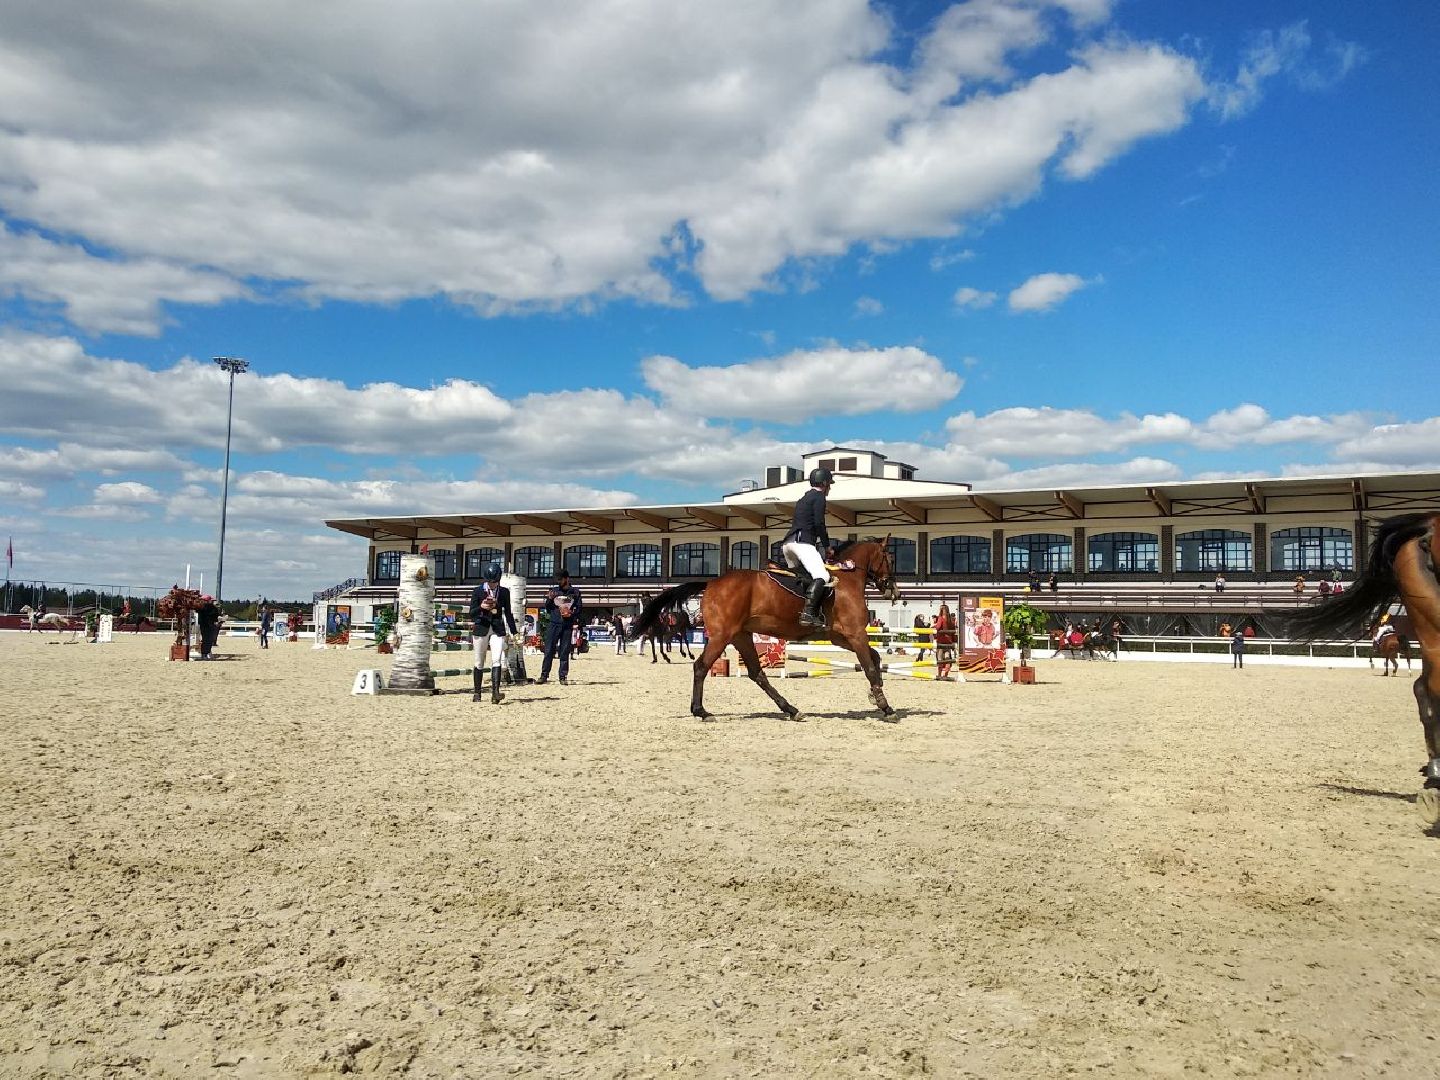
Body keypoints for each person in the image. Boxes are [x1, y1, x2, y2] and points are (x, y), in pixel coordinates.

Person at [782, 467, 834, 628]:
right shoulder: (819, 497)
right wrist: (827, 546)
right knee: (822, 577)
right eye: (829, 484)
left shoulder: (804, 498)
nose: (830, 488)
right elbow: (819, 523)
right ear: (824, 483)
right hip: (802, 544)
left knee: (804, 578)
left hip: (788, 544)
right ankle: (808, 613)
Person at [470, 561, 518, 703]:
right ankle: (477, 693)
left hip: (497, 628)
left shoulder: (504, 592)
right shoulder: (477, 591)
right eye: (490, 582)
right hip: (481, 627)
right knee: (479, 662)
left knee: (497, 659)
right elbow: (472, 614)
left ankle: (495, 693)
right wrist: (481, 607)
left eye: (495, 582)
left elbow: (508, 613)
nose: (493, 585)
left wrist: (515, 632)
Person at [538, 569, 583, 685]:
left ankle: (563, 676)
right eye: (557, 579)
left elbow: (579, 608)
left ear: (567, 579)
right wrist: (549, 599)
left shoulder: (576, 592)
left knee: (564, 651)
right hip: (554, 623)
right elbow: (547, 608)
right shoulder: (554, 591)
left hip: (567, 625)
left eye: (561, 579)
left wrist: (572, 614)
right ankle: (544, 675)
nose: (558, 581)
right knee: (548, 651)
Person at [934, 603, 957, 680]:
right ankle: (946, 675)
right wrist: (953, 642)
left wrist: (933, 625)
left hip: (941, 641)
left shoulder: (941, 618)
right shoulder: (951, 619)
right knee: (947, 658)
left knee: (940, 659)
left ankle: (939, 674)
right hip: (948, 641)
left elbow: (938, 627)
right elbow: (953, 631)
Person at [196, 595, 221, 659]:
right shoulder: (212, 608)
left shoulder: (200, 608)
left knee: (205, 639)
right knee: (209, 640)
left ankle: (204, 654)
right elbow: (216, 616)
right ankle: (205, 653)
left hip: (203, 625)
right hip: (209, 625)